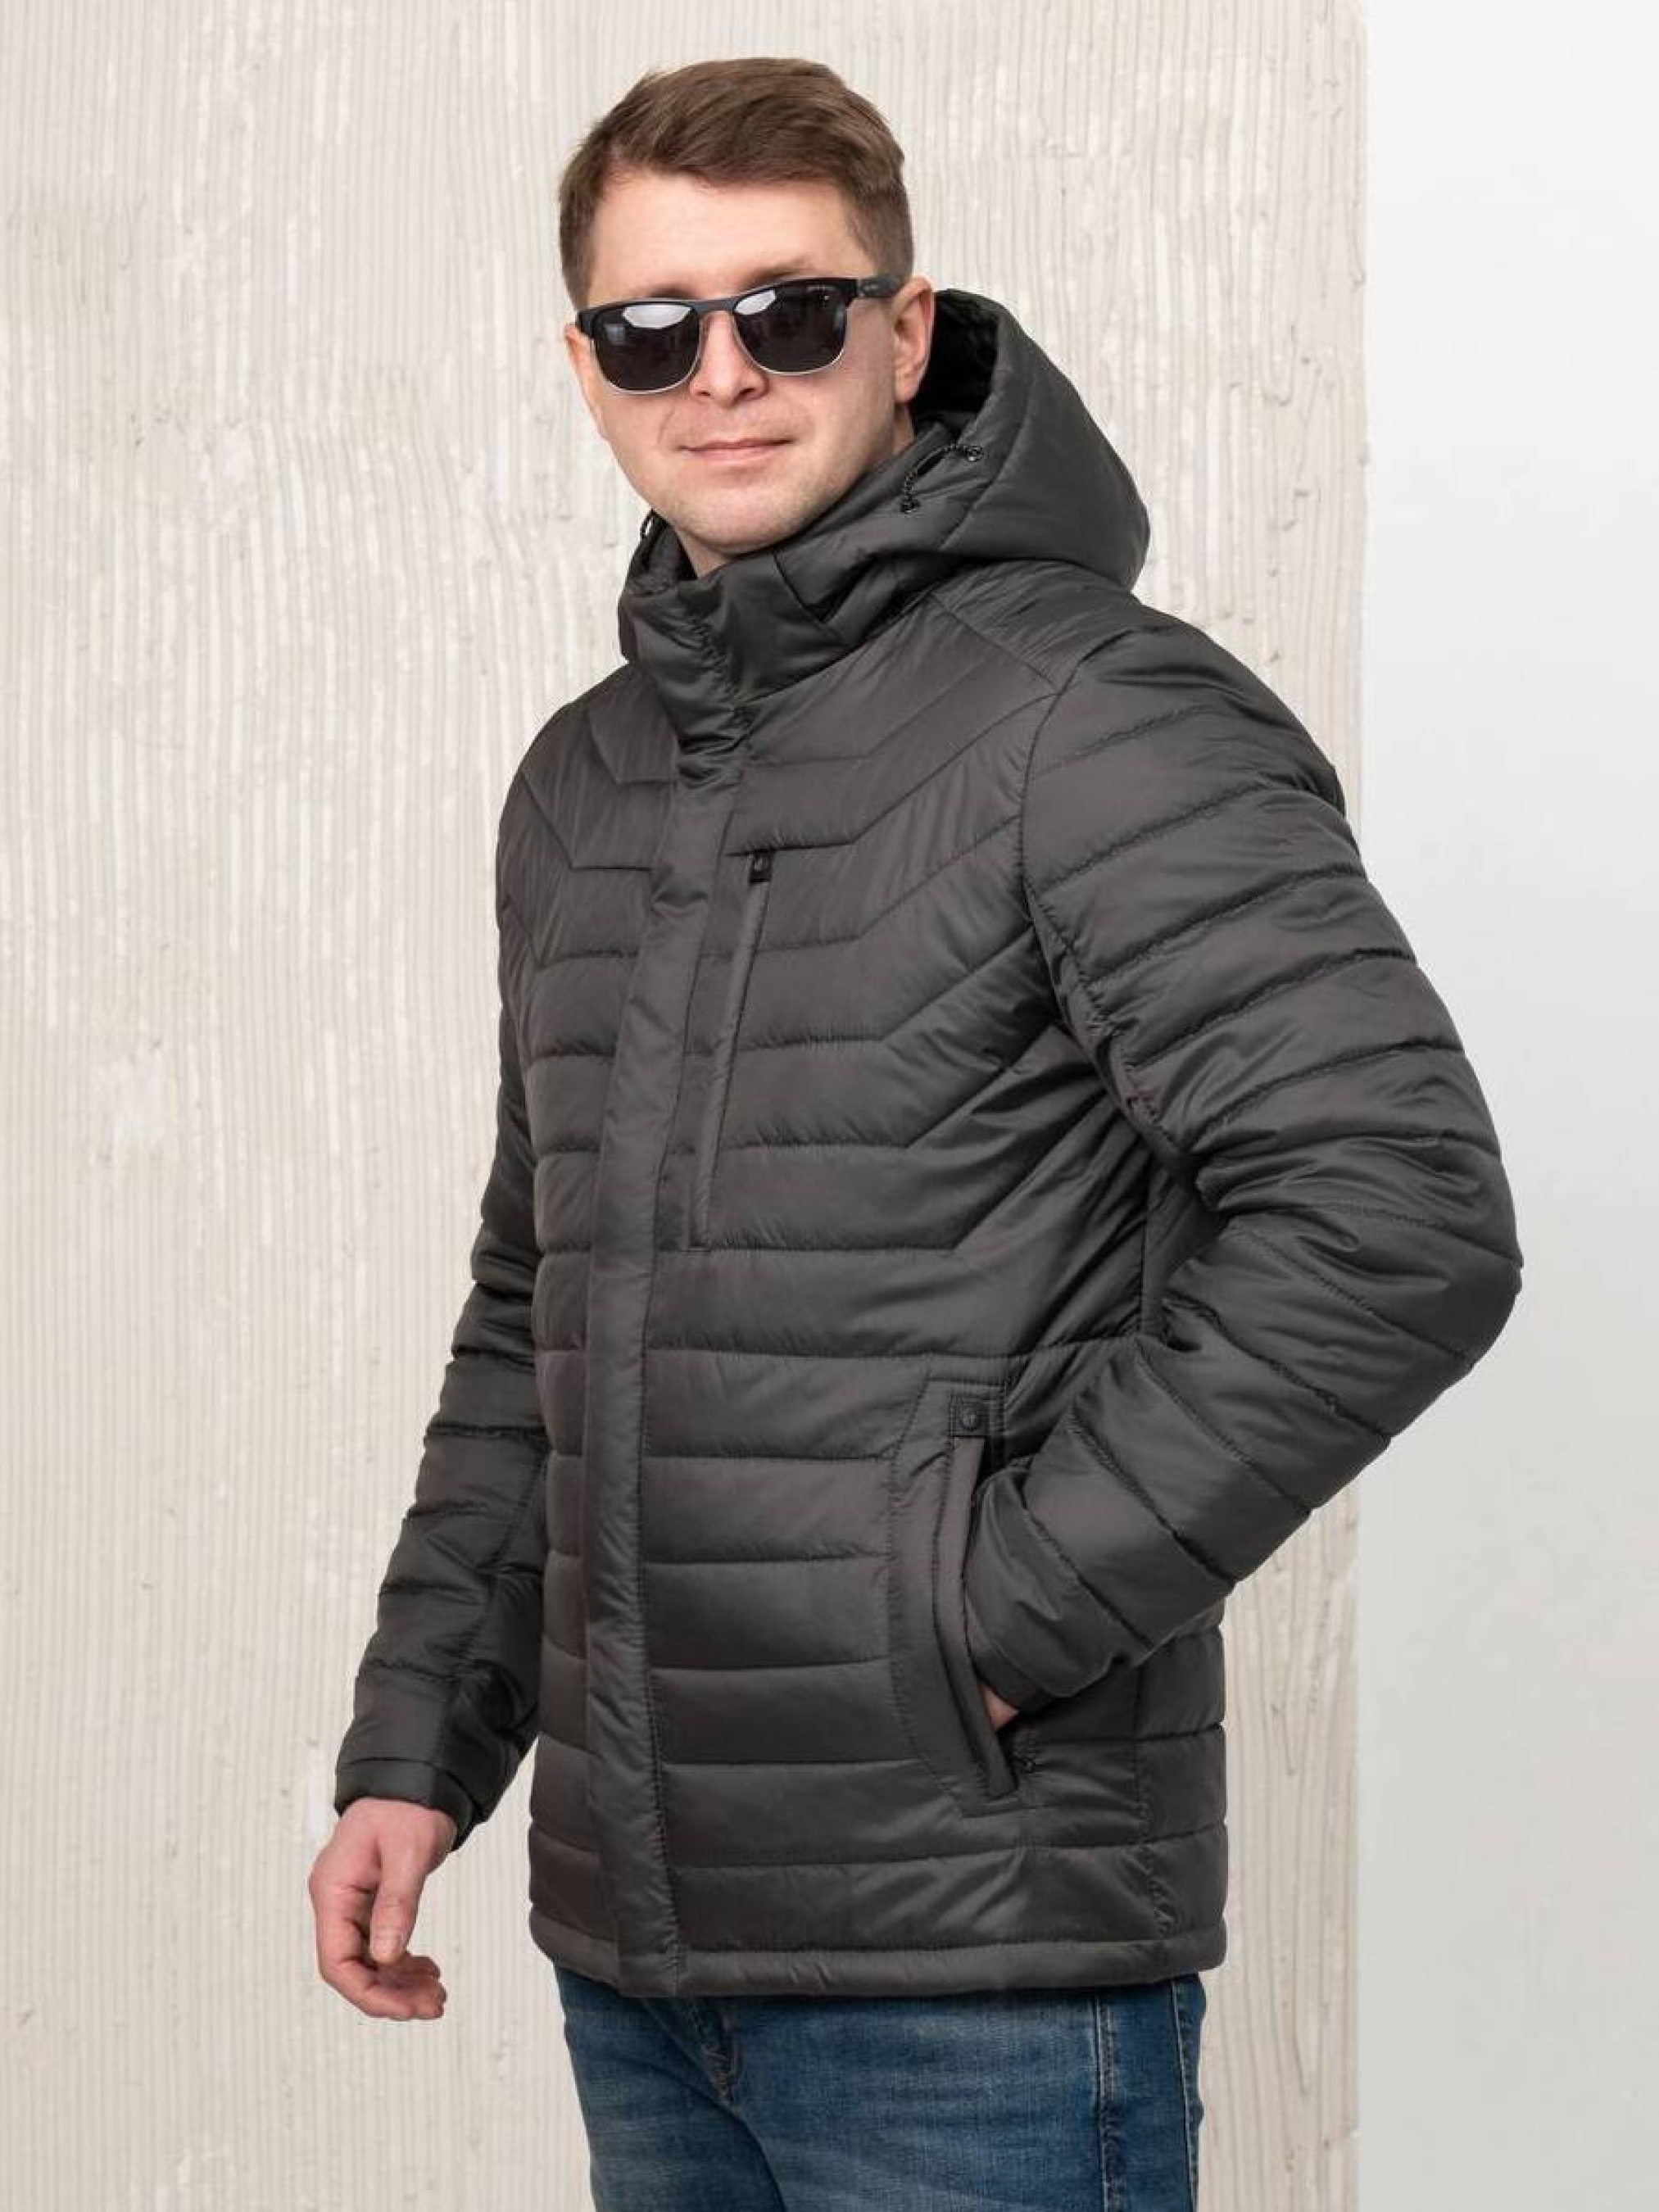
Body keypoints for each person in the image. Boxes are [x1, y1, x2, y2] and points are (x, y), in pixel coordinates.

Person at [308, 55, 1522, 2210]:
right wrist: (423, 1742)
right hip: (638, 1953)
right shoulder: (585, 783)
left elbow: (1393, 1212)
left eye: (787, 310)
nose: (720, 375)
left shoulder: (1093, 713)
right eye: (651, 327)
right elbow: (535, 1304)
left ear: (904, 329)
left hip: (978, 1970)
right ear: (582, 366)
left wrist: (985, 1623)